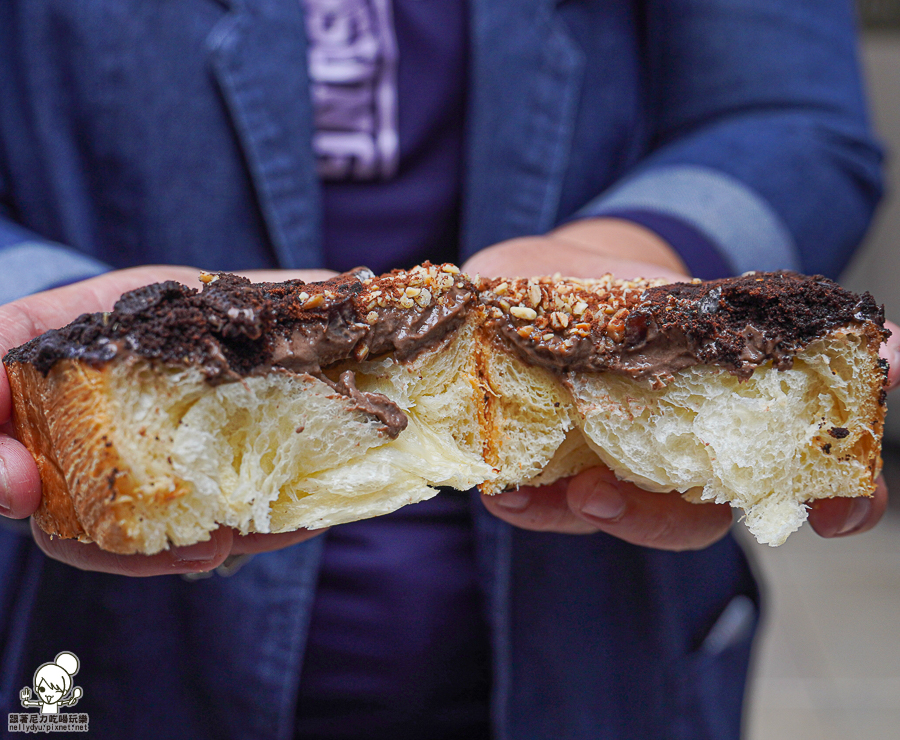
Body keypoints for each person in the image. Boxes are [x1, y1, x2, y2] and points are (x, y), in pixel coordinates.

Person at [0, 0, 892, 737]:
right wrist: (57, 322)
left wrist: (619, 271)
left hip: (600, 634)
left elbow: (789, 117)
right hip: (99, 645)